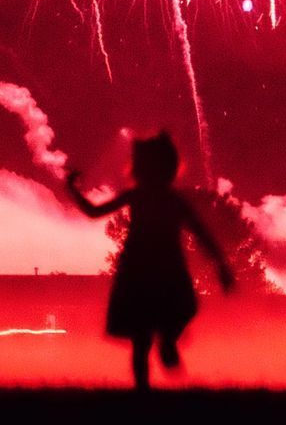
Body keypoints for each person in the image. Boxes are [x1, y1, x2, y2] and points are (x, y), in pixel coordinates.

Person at [66, 131, 233, 389]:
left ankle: (145, 386)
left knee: (141, 335)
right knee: (173, 314)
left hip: (140, 268)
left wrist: (73, 191)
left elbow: (94, 211)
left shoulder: (141, 196)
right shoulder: (169, 199)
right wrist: (221, 265)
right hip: (164, 267)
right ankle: (165, 345)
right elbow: (201, 233)